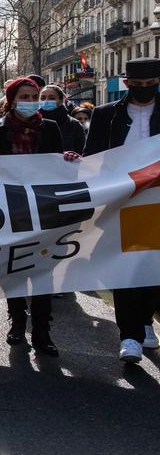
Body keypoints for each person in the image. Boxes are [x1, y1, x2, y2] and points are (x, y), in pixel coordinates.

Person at [0, 77, 79, 357]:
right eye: (24, 97)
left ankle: (42, 332)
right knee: (13, 270)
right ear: (11, 101)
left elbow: (57, 164)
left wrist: (68, 159)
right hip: (10, 211)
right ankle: (17, 320)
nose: (31, 102)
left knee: (43, 272)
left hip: (43, 210)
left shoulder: (50, 127)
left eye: (34, 97)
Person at [83, 57, 160, 363]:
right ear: (126, 84)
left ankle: (145, 320)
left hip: (157, 203)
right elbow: (93, 156)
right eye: (138, 85)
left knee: (153, 265)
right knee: (125, 266)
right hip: (123, 202)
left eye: (151, 84)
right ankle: (129, 335)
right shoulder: (106, 115)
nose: (145, 89)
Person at [39, 84, 86, 154]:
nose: (46, 101)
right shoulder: (33, 122)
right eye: (43, 98)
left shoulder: (74, 125)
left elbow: (81, 153)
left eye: (51, 98)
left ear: (60, 101)